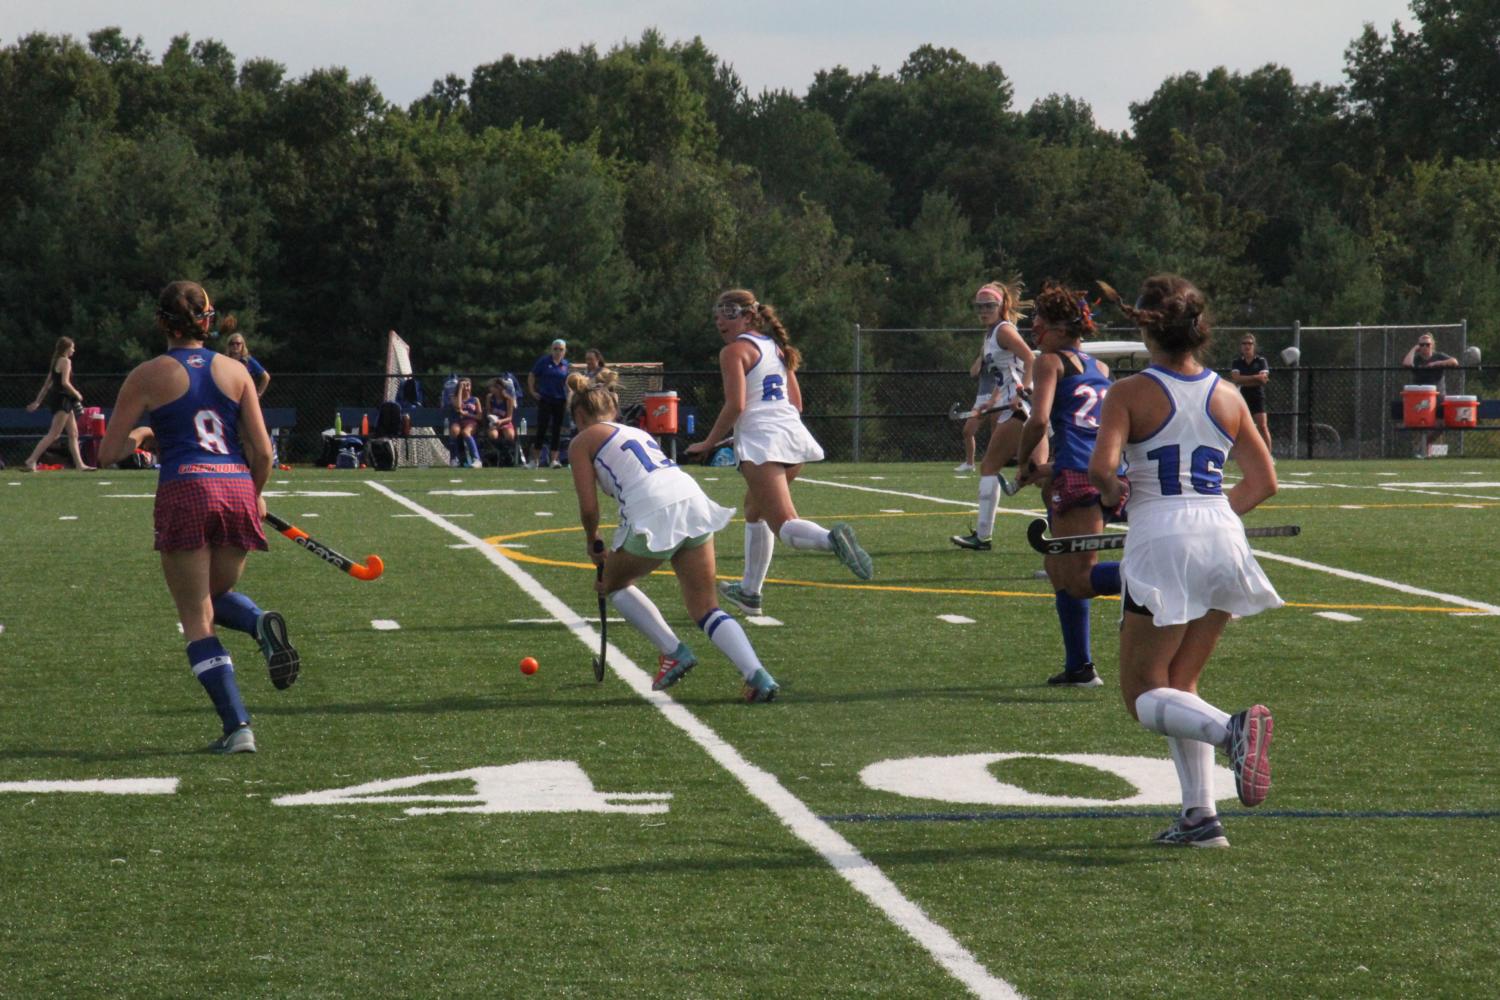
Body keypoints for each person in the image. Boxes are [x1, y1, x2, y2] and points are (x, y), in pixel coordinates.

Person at [1089, 274, 1281, 848]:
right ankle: (1201, 818)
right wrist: (1210, 514)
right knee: (1182, 682)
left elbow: (1103, 470)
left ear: (1148, 328)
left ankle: (1232, 731)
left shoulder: (1128, 392)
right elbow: (1264, 481)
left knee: (1143, 692)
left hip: (1161, 537)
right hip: (1222, 533)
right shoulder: (1230, 393)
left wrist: (1116, 494)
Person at [97, 280, 299, 755]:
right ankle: (256, 623)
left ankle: (238, 727)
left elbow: (107, 453)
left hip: (185, 488)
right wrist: (254, 492)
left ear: (161, 322)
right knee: (216, 594)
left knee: (197, 616)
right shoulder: (237, 371)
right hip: (233, 486)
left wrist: (146, 432)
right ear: (208, 321)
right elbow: (263, 453)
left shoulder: (146, 375)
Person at [567, 371, 781, 701]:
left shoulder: (582, 440)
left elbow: (588, 506)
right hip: (692, 500)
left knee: (614, 584)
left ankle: (673, 651)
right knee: (705, 606)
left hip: (655, 510)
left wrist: (592, 537)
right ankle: (757, 675)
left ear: (579, 415)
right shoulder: (635, 432)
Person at [684, 288, 873, 616]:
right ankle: (750, 594)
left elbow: (736, 405)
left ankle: (832, 540)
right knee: (754, 511)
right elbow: (795, 404)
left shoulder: (733, 352)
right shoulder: (775, 347)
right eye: (717, 312)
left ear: (747, 315)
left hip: (764, 444)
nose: (719, 319)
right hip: (792, 439)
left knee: (784, 524)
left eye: (728, 312)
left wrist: (709, 442)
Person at [1012, 281, 1124, 688]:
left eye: (1041, 317)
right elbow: (1089, 432)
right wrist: (1048, 469)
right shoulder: (1102, 369)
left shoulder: (1050, 362)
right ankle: (1080, 667)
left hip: (1079, 476)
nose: (1035, 325)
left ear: (1061, 327)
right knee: (1057, 567)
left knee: (1079, 576)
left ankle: (1154, 575)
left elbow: (1038, 420)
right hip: (1092, 471)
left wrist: (1024, 461)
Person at [950, 280, 1046, 550]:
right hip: (1010, 406)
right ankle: (1084, 497)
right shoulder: (991, 333)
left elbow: (1030, 358)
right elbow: (999, 377)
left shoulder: (1003, 331)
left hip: (1020, 408)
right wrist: (988, 404)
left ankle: (982, 537)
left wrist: (1024, 389)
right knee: (1040, 474)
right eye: (979, 306)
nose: (983, 310)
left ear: (1002, 306)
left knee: (990, 466)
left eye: (989, 305)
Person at [22, 336, 94, 471]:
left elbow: (46, 385)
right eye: (72, 347)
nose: (74, 350)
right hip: (63, 400)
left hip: (60, 400)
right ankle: (31, 460)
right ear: (66, 348)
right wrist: (76, 393)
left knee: (73, 434)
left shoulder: (55, 361)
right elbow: (65, 382)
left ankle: (80, 464)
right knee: (54, 434)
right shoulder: (66, 362)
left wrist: (38, 402)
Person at [1403, 332, 1459, 458]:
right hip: (1420, 399)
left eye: (1427, 344)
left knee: (1442, 424)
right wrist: (1413, 349)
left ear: (1432, 345)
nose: (1424, 347)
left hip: (1438, 398)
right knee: (1418, 422)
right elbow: (1406, 364)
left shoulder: (1438, 356)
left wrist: (1436, 364)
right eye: (1421, 344)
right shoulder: (1415, 359)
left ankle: (1425, 444)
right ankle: (1419, 449)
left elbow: (1454, 362)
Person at [956, 345, 1001, 474]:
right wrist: (981, 357)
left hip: (998, 398)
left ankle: (994, 464)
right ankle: (970, 463)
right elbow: (973, 373)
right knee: (968, 431)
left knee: (996, 433)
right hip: (982, 398)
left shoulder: (1001, 357)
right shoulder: (983, 358)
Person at [528, 338, 570, 468]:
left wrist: (569, 397)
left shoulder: (566, 364)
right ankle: (535, 461)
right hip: (545, 399)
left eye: (561, 349)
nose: (558, 351)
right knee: (542, 428)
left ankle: (554, 460)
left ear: (564, 351)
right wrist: (532, 391)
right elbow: (532, 375)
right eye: (555, 349)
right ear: (551, 349)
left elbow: (569, 383)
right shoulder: (544, 361)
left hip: (560, 400)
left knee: (557, 430)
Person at [1228, 333, 1271, 453]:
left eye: (1249, 343)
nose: (1247, 346)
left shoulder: (1261, 361)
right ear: (1241, 346)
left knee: (1262, 426)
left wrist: (1245, 379)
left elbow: (1263, 380)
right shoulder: (1237, 362)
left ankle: (1268, 456)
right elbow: (1236, 379)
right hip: (1242, 397)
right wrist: (1255, 378)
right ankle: (1244, 455)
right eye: (1244, 343)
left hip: (1257, 397)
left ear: (1254, 346)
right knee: (1242, 428)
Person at [222, 323, 270, 398]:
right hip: (227, 395)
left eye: (238, 344)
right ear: (228, 345)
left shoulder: (248, 360)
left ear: (242, 345)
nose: (235, 346)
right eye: (232, 343)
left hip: (245, 396)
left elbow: (266, 377)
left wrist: (259, 394)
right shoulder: (223, 360)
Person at [484, 375, 520, 466]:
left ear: (499, 388)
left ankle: (505, 456)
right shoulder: (489, 397)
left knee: (510, 435)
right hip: (493, 422)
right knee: (493, 435)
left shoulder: (508, 399)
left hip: (504, 421)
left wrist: (500, 422)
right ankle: (505, 454)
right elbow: (488, 412)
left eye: (492, 387)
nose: (490, 389)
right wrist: (492, 418)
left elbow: (509, 417)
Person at [447, 377, 483, 468]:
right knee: (454, 430)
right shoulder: (454, 398)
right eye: (463, 385)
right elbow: (459, 407)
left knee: (466, 432)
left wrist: (467, 415)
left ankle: (476, 459)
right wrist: (460, 390)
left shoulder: (475, 399)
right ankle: (454, 458)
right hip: (458, 421)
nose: (466, 388)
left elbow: (479, 416)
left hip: (471, 422)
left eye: (468, 385)